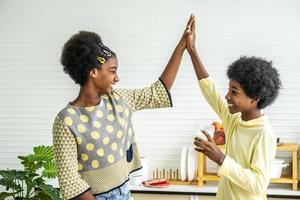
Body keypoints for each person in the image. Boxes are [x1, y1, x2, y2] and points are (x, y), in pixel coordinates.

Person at [52, 16, 194, 200]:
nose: (117, 78)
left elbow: (157, 92)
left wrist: (182, 46)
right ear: (93, 72)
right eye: (112, 71)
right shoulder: (66, 121)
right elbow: (70, 183)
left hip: (124, 193)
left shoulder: (119, 100)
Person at [186, 16, 281, 199]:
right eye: (229, 90)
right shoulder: (234, 120)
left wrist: (220, 159)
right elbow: (210, 90)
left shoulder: (264, 134)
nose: (227, 96)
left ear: (254, 98)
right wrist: (192, 51)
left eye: (234, 92)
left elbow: (258, 184)